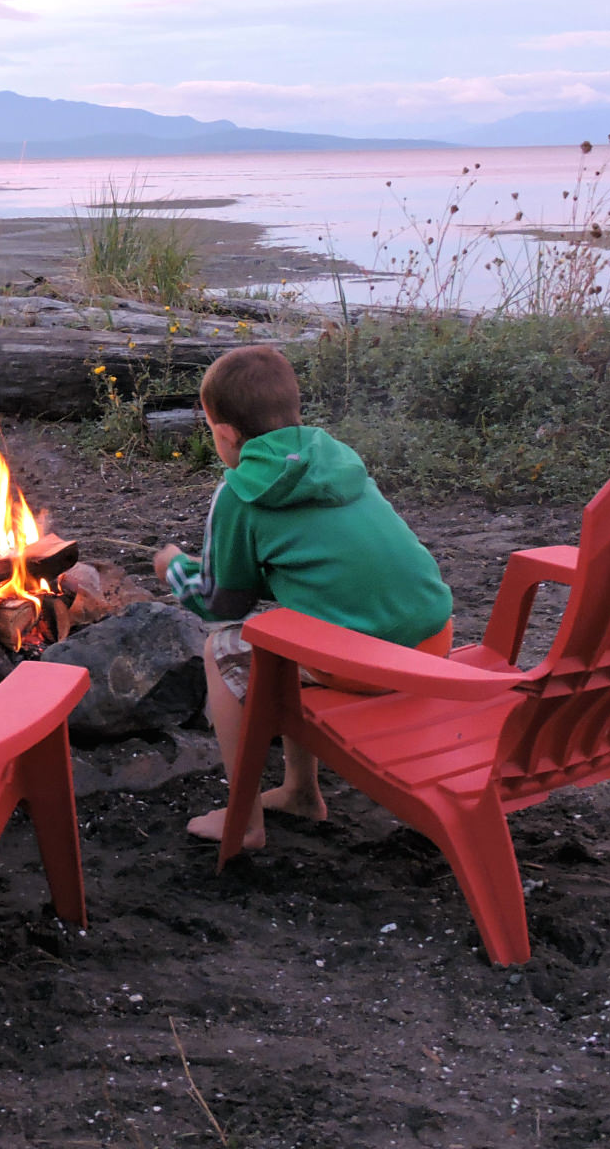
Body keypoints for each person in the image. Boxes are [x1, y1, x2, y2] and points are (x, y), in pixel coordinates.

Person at [154, 345, 453, 849]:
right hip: (434, 642)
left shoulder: (239, 494)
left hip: (369, 664)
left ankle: (244, 822)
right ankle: (299, 792)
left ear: (224, 434)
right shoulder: (336, 460)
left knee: (222, 649)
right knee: (294, 625)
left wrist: (175, 569)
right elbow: (325, 562)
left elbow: (222, 604)